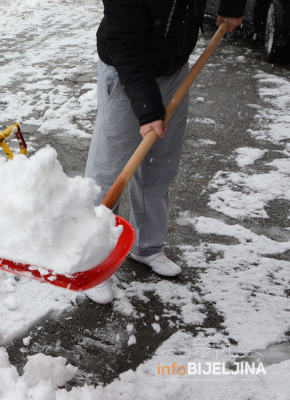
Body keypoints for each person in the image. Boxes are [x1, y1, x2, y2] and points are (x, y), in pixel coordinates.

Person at [85, 0, 246, 304]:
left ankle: (146, 246)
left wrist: (233, 4)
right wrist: (148, 110)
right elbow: (124, 41)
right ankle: (93, 260)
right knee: (110, 169)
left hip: (174, 64)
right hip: (127, 69)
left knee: (160, 165)